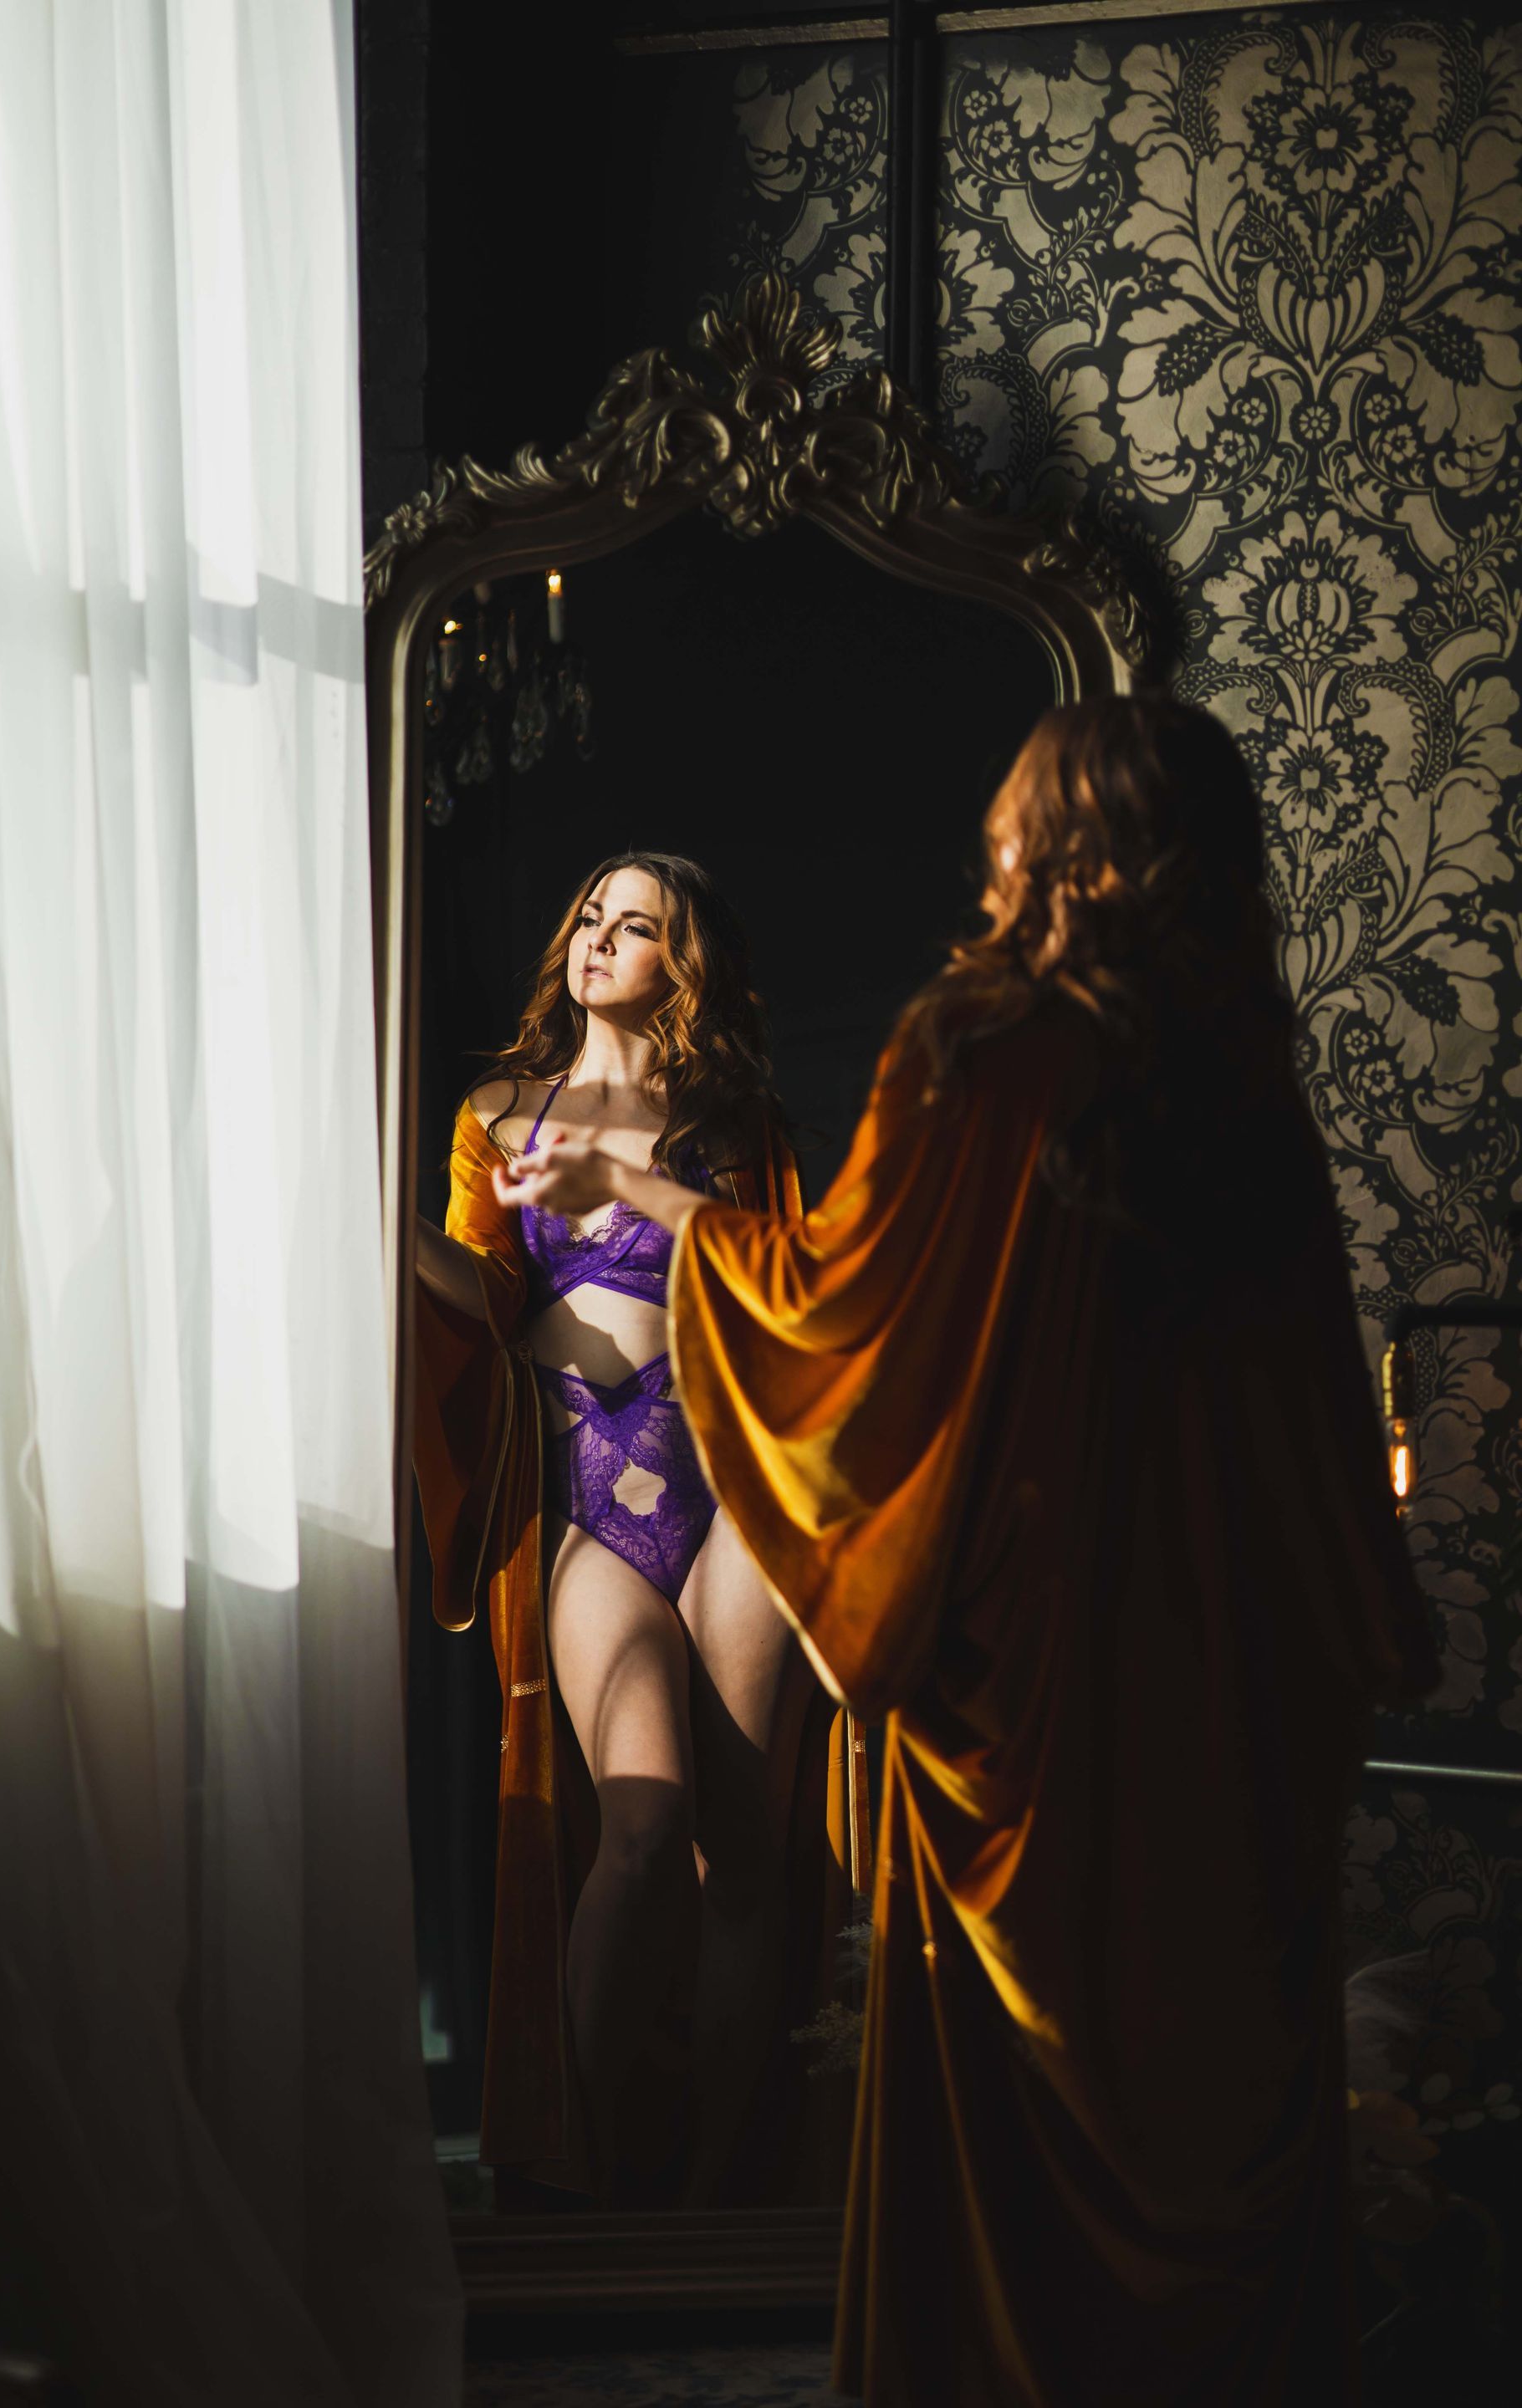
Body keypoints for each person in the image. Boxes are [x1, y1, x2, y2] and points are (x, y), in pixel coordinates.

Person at [499, 703, 1438, 2400]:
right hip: (1251, 1670)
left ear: (1050, 844)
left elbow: (835, 1317)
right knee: (1219, 2069)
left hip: (1046, 1651)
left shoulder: (986, 1044)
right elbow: (1312, 1417)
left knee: (1040, 2080)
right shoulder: (1246, 1078)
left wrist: (651, 1206)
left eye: (1012, 827)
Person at [414, 851, 865, 2207]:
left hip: (734, 1498)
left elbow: (791, 1299)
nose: (602, 940)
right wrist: (378, 1225)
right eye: (592, 919)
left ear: (684, 964)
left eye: (639, 926)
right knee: (646, 1832)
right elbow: (480, 1300)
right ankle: (598, 2184)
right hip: (594, 1507)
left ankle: (727, 2192)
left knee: (746, 1860)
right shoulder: (498, 1116)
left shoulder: (735, 1124)